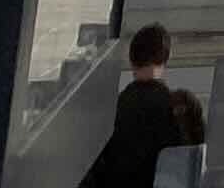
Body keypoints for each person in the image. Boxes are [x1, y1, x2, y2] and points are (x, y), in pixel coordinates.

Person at [79, 22, 207, 188]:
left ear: (132, 61)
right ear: (165, 58)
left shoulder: (110, 112)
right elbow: (202, 163)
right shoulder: (185, 107)